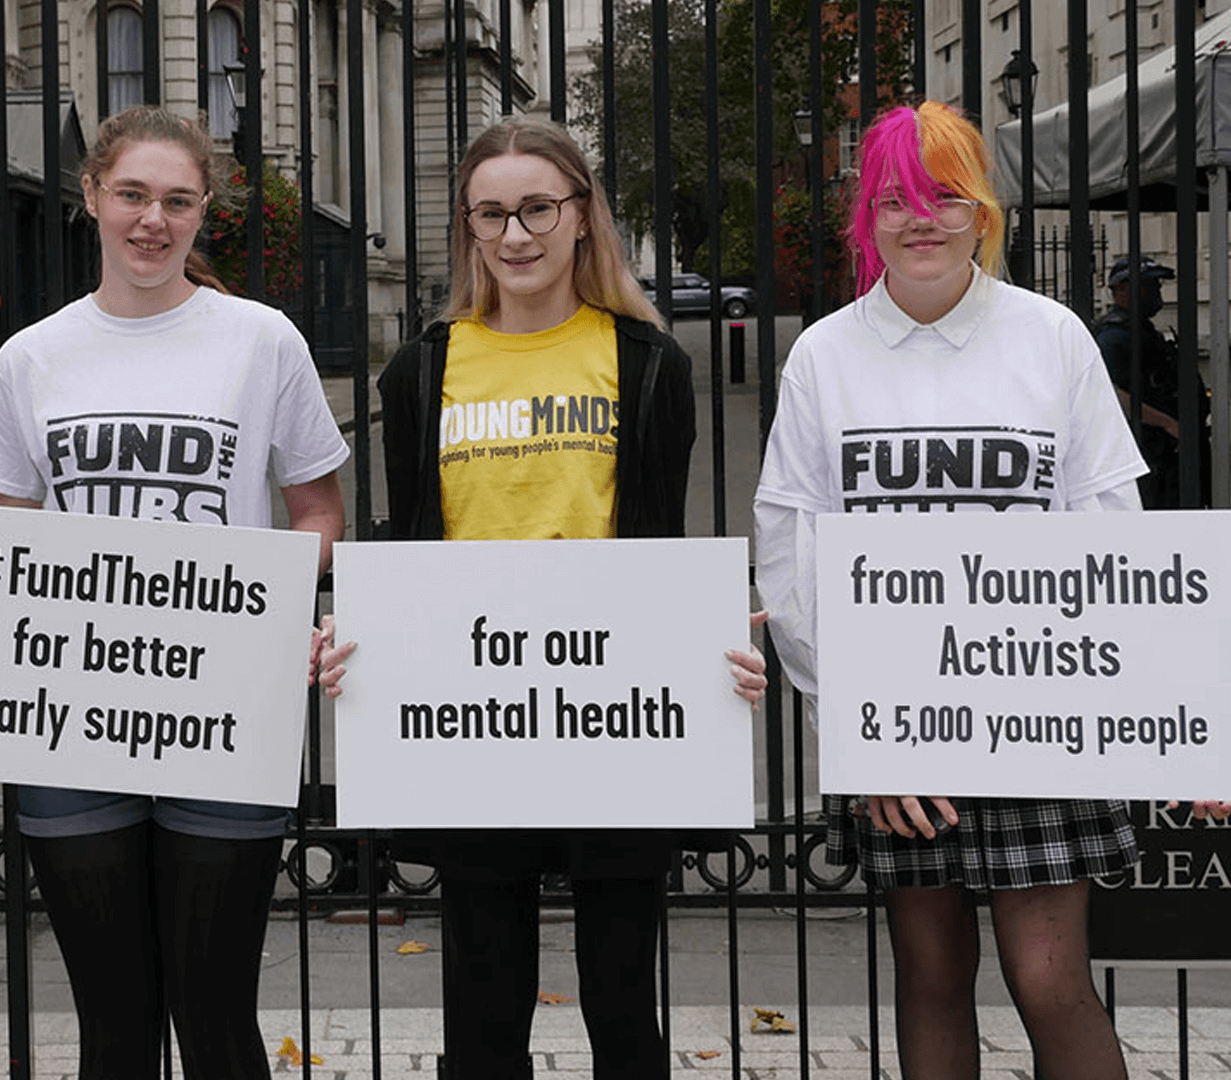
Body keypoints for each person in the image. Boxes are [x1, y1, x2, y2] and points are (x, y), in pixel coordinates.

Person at [0, 104, 347, 1080]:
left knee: (218, 1019)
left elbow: (319, 514)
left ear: (203, 212)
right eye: (134, 195)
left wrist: (267, 590)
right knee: (111, 1026)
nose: (154, 220)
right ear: (92, 195)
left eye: (178, 201)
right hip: (70, 715)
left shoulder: (262, 343)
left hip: (222, 710)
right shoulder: (32, 357)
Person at [317, 115, 766, 1080]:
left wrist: (714, 647)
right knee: (482, 1006)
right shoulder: (422, 370)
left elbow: (657, 547)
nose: (516, 235)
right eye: (493, 214)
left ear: (579, 216)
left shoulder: (649, 366)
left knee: (620, 1002)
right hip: (473, 721)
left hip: (615, 718)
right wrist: (361, 631)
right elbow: (411, 547)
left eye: (537, 209)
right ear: (470, 229)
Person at [754, 101, 1142, 1080]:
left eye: (945, 196)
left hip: (1041, 709)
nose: (920, 217)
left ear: (983, 211)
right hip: (896, 726)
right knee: (930, 973)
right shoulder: (823, 357)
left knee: (1051, 979)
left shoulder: (1051, 340)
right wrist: (864, 726)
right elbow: (788, 549)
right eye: (895, 198)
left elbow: (1111, 527)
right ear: (867, 219)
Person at [1092, 254, 1208, 508]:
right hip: (1147, 453)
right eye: (1148, 285)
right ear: (1120, 290)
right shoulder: (1113, 336)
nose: (1156, 292)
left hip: (1169, 455)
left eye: (1157, 286)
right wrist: (1167, 423)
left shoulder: (1142, 330)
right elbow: (1110, 394)